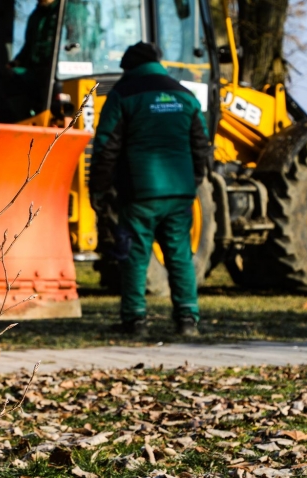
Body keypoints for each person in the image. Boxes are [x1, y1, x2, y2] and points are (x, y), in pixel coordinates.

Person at [89, 41, 210, 337]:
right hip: (180, 193)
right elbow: (202, 147)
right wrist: (190, 183)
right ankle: (187, 321)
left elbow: (106, 148)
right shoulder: (185, 96)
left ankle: (136, 321)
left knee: (135, 255)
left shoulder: (122, 96)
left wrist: (99, 191)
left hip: (139, 192)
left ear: (129, 68)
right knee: (180, 255)